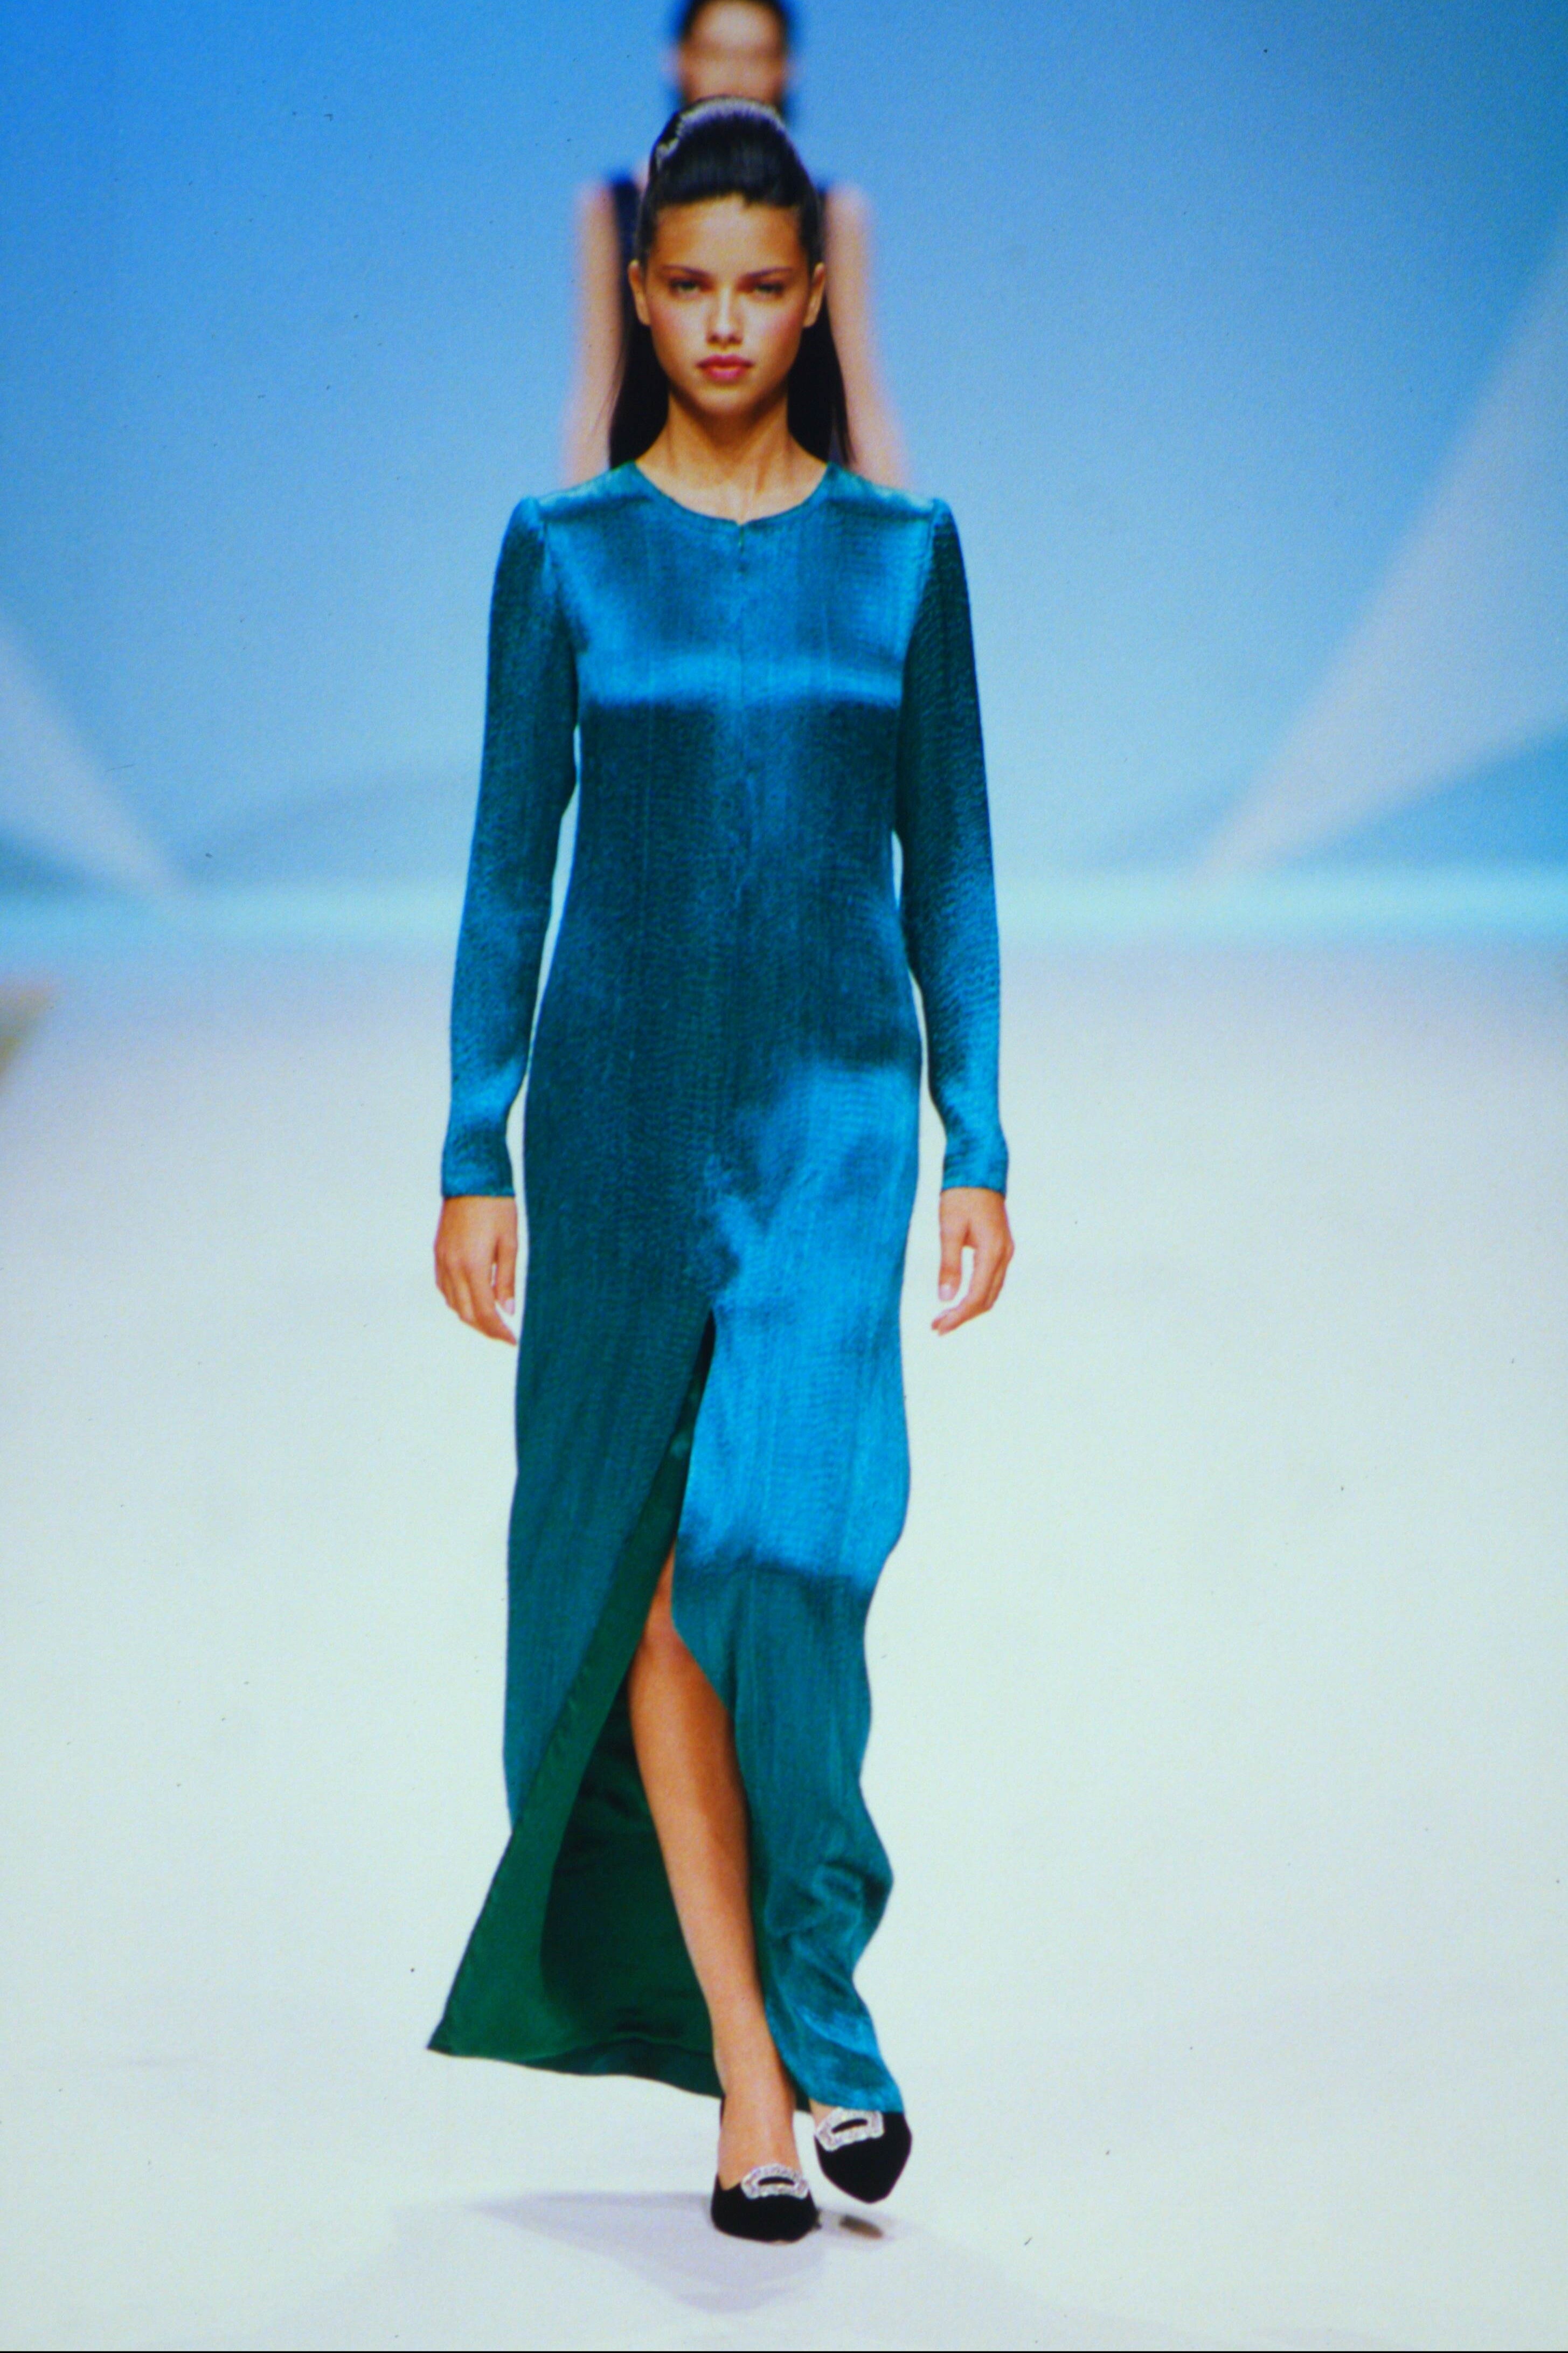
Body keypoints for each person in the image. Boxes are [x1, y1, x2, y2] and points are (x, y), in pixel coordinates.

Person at [433, 100, 1010, 2242]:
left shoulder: (905, 554)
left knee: (783, 1545)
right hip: (613, 1124)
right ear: (641, 292)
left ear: (816, 295)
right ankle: (756, 2084)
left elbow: (951, 863)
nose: (727, 323)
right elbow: (510, 866)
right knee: (643, 1591)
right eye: (690, 285)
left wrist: (980, 1131)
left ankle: (820, 1979)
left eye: (763, 285)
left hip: (836, 1117)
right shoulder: (566, 550)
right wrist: (471, 1141)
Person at [563, 0, 906, 487]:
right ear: (678, 61)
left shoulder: (834, 213)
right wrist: (581, 513)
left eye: (756, 56)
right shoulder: (612, 206)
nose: (735, 76)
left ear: (787, 70)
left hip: (799, 501)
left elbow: (858, 387)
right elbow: (598, 385)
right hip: (655, 501)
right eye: (717, 53)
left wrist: (894, 518)